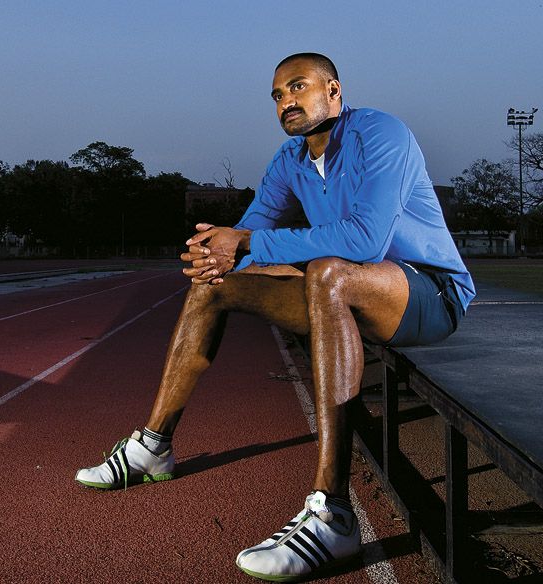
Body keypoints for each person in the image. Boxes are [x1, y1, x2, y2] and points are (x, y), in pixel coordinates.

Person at [75, 52, 475, 581]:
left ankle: (333, 512)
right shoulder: (290, 160)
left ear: (333, 90)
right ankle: (154, 446)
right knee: (213, 288)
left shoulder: (381, 133)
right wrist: (214, 252)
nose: (286, 101)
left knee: (331, 270)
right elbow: (249, 239)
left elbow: (366, 240)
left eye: (298, 87)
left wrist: (246, 242)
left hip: (426, 291)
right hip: (345, 291)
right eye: (277, 95)